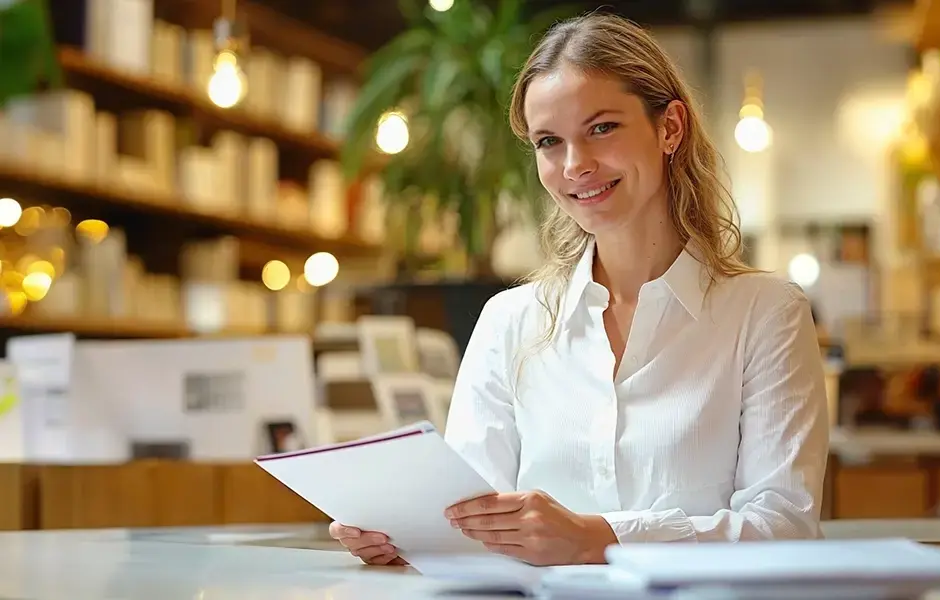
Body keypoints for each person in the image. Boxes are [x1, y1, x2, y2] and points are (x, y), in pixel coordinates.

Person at [330, 12, 829, 567]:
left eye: (602, 128)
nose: (576, 165)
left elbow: (783, 525)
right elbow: (474, 520)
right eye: (549, 141)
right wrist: (404, 532)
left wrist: (601, 538)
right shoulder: (509, 322)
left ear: (670, 128)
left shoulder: (766, 313)